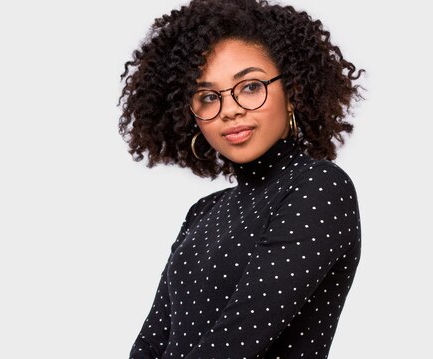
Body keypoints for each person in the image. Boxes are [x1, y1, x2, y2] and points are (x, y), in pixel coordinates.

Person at [118, 0, 364, 357]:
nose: (230, 109)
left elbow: (233, 345)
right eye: (207, 96)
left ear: (292, 91)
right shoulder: (202, 213)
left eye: (250, 87)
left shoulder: (318, 187)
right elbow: (151, 344)